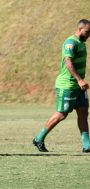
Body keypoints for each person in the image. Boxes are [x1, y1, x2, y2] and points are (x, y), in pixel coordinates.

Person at [33, 19, 90, 153]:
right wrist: (79, 80)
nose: (89, 35)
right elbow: (68, 62)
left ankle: (87, 145)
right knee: (62, 114)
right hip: (68, 85)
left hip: (79, 87)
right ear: (80, 29)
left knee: (83, 112)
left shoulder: (82, 43)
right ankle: (39, 138)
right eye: (87, 32)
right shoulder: (71, 43)